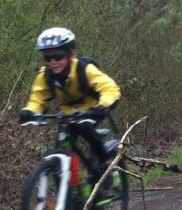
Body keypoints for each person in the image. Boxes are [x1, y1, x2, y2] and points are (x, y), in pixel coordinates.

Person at [19, 27, 121, 172]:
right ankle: (67, 187)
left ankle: (108, 164)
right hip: (67, 113)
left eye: (58, 57)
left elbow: (109, 88)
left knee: (84, 126)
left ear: (69, 55)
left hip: (90, 110)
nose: (53, 62)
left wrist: (102, 106)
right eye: (48, 58)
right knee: (60, 148)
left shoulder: (84, 69)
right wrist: (30, 111)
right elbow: (38, 97)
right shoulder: (45, 75)